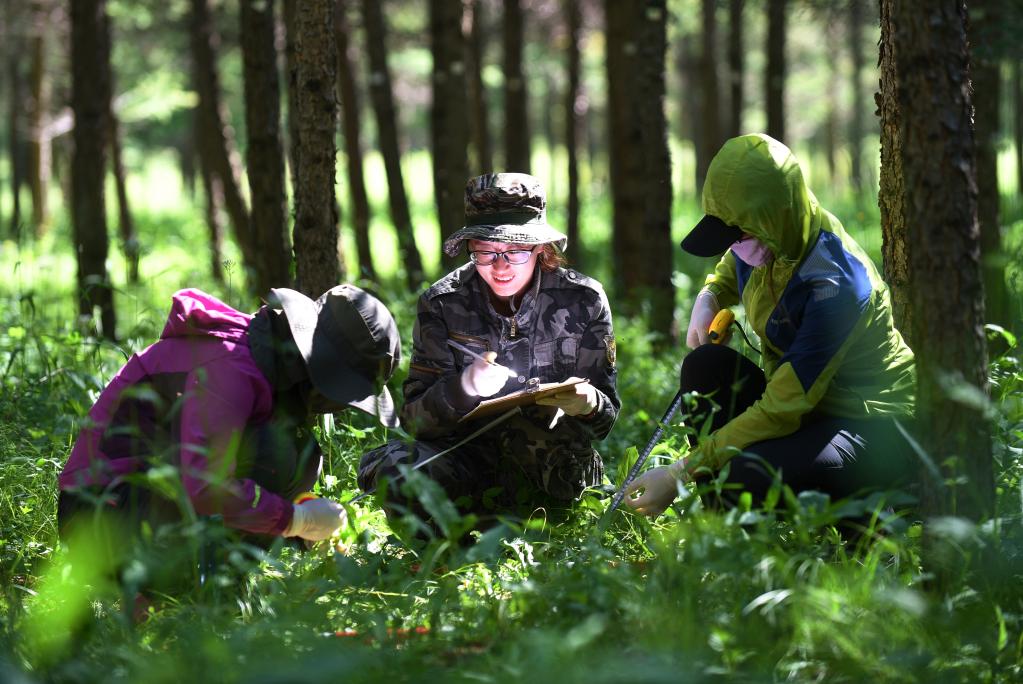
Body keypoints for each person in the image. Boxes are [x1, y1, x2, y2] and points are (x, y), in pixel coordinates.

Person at [625, 133, 916, 517]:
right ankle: (722, 531)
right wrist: (709, 295)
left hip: (870, 425)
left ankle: (868, 523)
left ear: (771, 218)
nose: (735, 247)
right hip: (806, 409)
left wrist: (681, 471)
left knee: (744, 475)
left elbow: (782, 407)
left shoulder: (836, 283)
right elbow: (733, 266)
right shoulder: (767, 237)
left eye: (739, 236)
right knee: (704, 366)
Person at [58, 284, 402, 574]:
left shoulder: (266, 365)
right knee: (275, 452)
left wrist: (306, 521)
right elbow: (203, 482)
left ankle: (215, 587)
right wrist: (295, 520)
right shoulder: (230, 368)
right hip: (98, 516)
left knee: (296, 451)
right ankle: (184, 594)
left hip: (149, 500)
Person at [358, 173, 620, 532]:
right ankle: (450, 540)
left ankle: (543, 526)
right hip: (465, 464)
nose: (499, 267)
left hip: (553, 468)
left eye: (514, 251)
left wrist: (588, 403)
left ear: (541, 249)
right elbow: (415, 421)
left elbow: (607, 417)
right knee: (396, 468)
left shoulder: (583, 300)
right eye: (484, 251)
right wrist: (463, 387)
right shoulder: (441, 303)